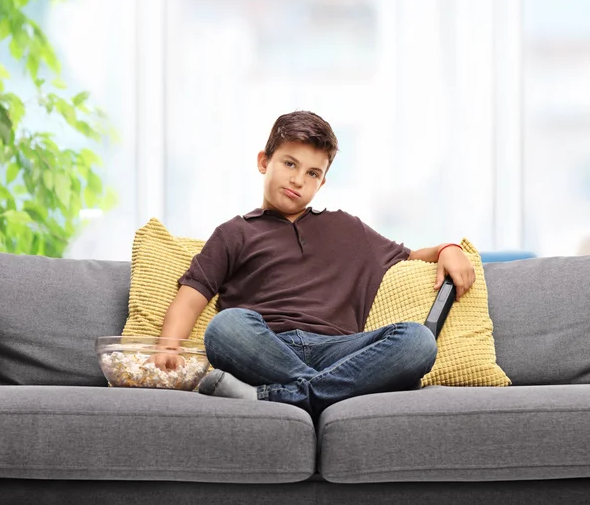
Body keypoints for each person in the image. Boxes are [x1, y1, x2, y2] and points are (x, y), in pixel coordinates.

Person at [151, 111, 475, 420]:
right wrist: (167, 348)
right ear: (264, 161)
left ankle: (284, 395)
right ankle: (338, 389)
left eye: (312, 173)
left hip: (338, 349)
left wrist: (447, 249)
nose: (298, 180)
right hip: (266, 346)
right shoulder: (234, 233)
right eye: (289, 163)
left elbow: (410, 255)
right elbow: (192, 295)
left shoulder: (349, 229)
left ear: (322, 183)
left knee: (417, 341)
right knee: (224, 327)